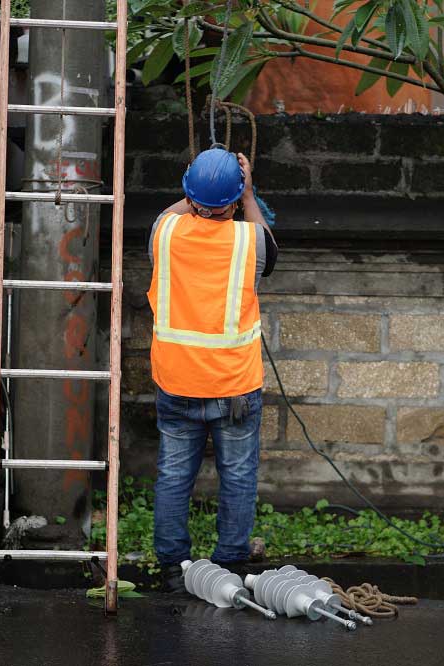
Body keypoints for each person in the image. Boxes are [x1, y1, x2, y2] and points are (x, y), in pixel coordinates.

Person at [146, 148, 278, 591]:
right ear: (236, 197)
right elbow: (268, 245)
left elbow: (174, 210)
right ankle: (231, 566)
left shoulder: (164, 232)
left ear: (189, 190)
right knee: (237, 476)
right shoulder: (250, 240)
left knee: (173, 474)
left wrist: (194, 186)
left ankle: (171, 566)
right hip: (234, 385)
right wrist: (249, 192)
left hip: (177, 382)